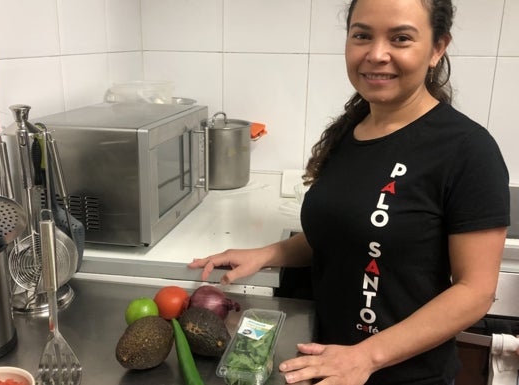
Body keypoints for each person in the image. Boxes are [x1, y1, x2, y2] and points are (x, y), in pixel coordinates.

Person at [188, 0, 511, 384]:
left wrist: (366, 357)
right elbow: (343, 233)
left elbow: (475, 291)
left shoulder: (467, 149)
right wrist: (268, 254)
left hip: (402, 375)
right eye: (361, 35)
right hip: (327, 360)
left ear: (437, 48)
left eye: (401, 38)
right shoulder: (351, 132)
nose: (376, 54)